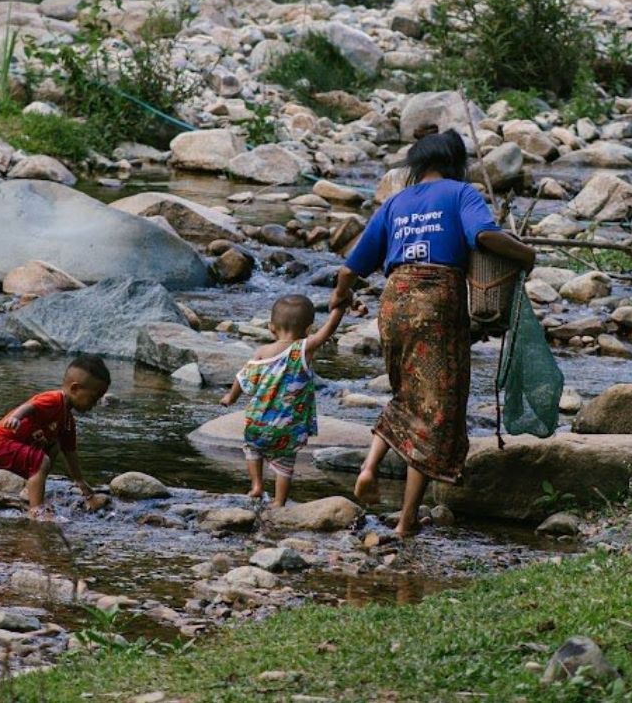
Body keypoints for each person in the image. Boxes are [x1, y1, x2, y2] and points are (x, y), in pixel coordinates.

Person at [329, 129, 537, 537]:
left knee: (406, 395)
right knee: (437, 410)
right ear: (455, 163)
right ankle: (406, 521)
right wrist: (527, 254)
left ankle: (370, 466)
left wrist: (341, 299)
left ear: (417, 166)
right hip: (438, 303)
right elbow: (483, 236)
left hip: (395, 300)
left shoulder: (395, 203)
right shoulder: (462, 193)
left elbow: (349, 269)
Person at [220, 294, 349, 505]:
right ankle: (279, 502)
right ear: (308, 329)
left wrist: (230, 397)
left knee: (252, 450)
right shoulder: (303, 350)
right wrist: (340, 309)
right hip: (287, 427)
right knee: (285, 465)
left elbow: (242, 378)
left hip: (258, 422)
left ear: (271, 328)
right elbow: (328, 331)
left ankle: (256, 486)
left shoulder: (261, 352)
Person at [0, 354, 113, 519]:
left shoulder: (67, 421)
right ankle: (36, 509)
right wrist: (15, 417)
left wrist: (82, 483)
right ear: (75, 389)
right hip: (1, 445)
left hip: (18, 447)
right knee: (41, 461)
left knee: (55, 445)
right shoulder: (53, 399)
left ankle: (27, 490)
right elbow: (30, 406)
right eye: (93, 398)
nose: (94, 405)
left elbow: (70, 452)